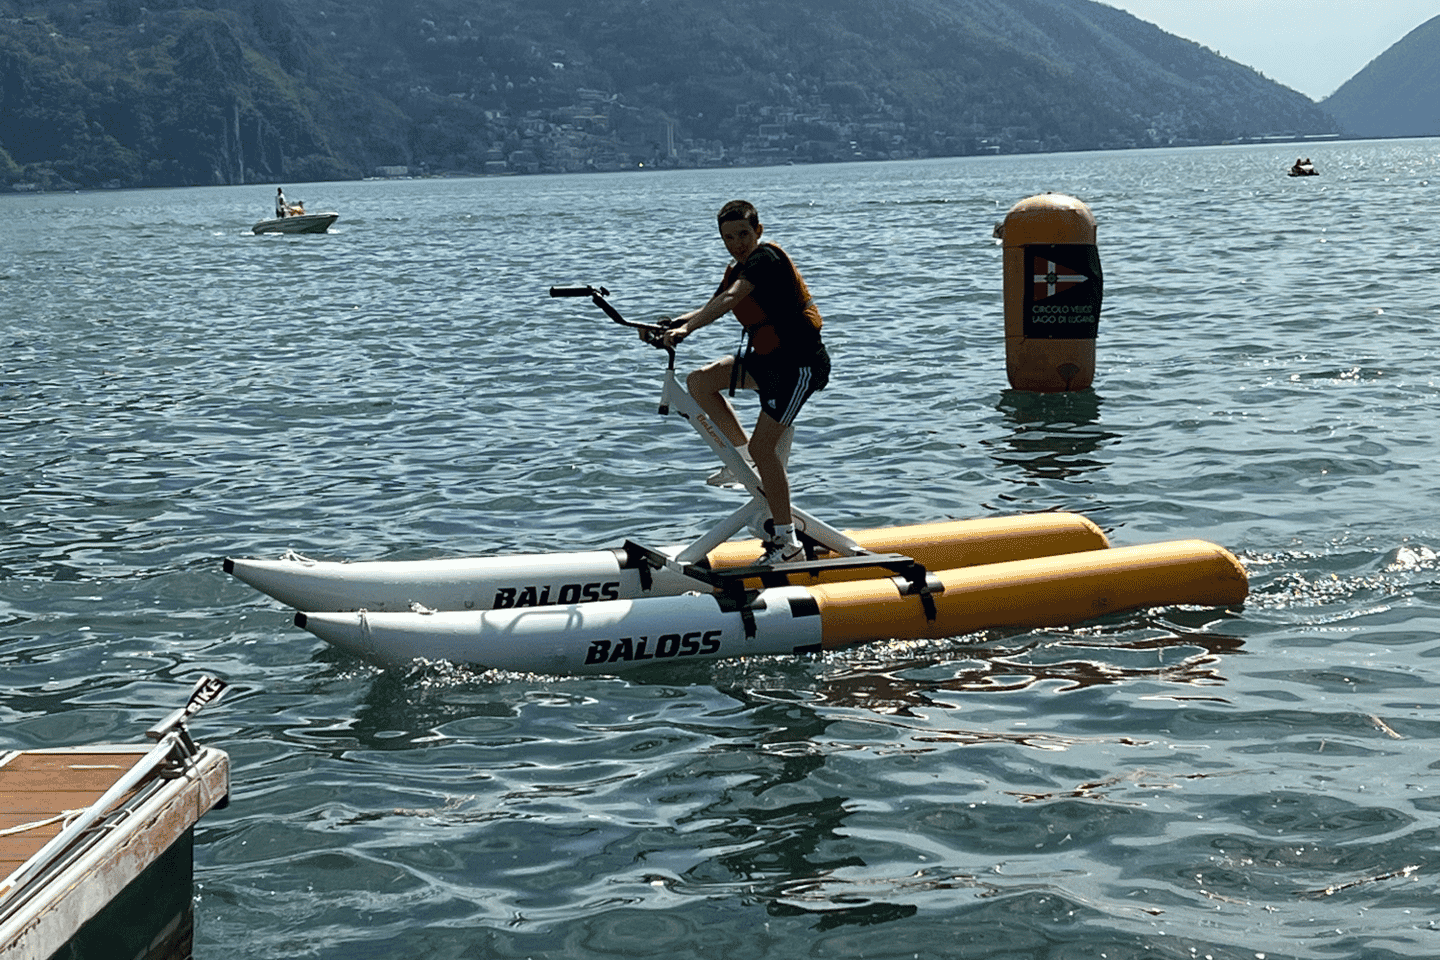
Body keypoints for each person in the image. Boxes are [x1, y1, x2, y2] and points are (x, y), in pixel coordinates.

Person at [661, 199, 831, 565]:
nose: (736, 242)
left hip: (798, 366)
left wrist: (687, 330)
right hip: (767, 362)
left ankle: (788, 544)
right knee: (700, 382)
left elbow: (731, 299)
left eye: (743, 234)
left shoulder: (764, 259)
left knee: (764, 449)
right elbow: (712, 304)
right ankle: (743, 466)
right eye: (728, 237)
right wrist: (669, 324)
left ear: (759, 231)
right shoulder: (736, 269)